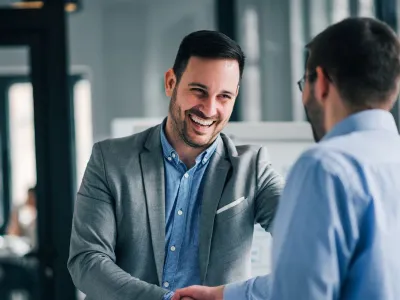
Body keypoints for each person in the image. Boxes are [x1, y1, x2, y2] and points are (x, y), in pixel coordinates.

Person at [173, 17, 400, 300]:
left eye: (305, 82)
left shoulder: (325, 167)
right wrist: (222, 295)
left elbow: (301, 292)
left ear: (322, 84)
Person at [67, 30, 284, 300]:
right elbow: (86, 261)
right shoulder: (110, 160)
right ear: (171, 82)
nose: (209, 108)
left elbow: (307, 237)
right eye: (198, 91)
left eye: (224, 97)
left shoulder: (253, 169)